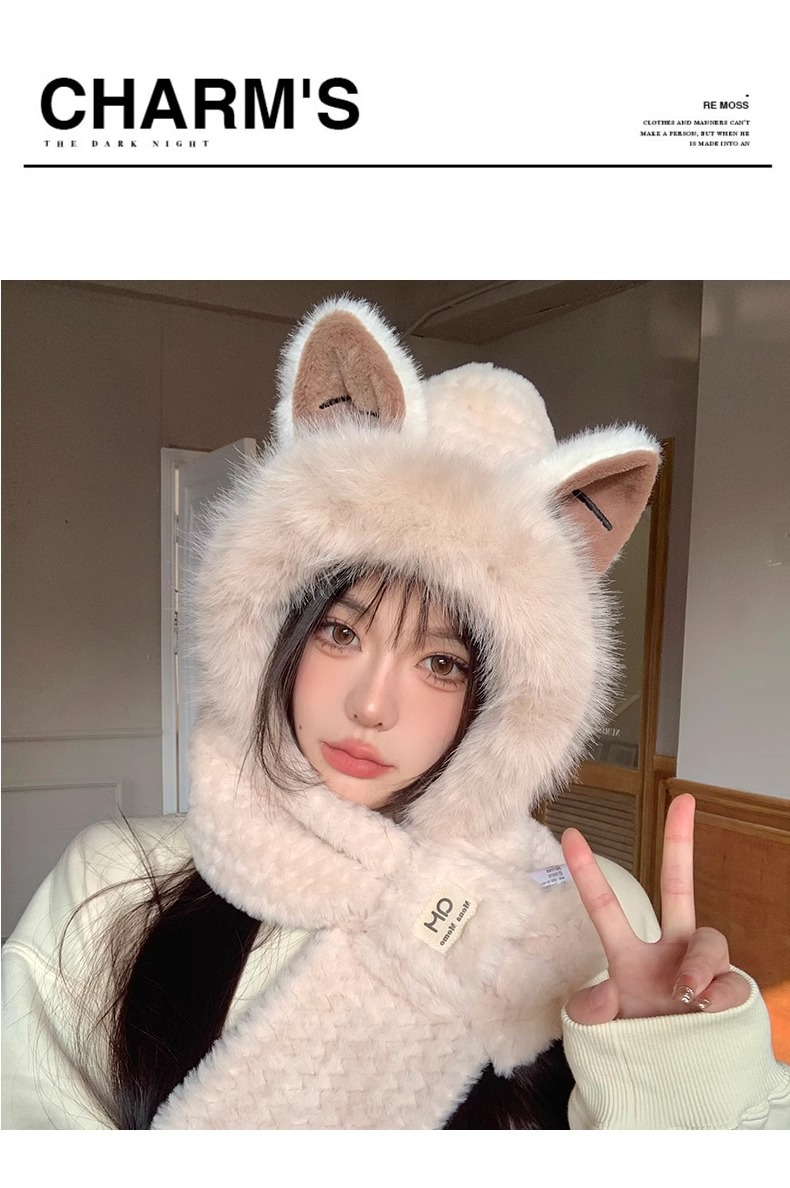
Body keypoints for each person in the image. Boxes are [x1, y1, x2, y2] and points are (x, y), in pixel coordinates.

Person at [2, 297, 788, 1130]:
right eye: (340, 632)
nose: (371, 706)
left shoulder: (589, 918)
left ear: (505, 701)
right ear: (276, 630)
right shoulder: (112, 883)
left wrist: (674, 1070)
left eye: (441, 663)